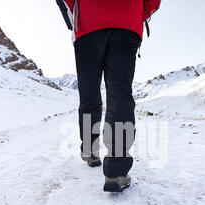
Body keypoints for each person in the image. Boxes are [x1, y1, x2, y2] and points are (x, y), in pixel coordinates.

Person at [56, 0, 161, 192]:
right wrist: (141, 12)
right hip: (127, 22)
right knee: (120, 96)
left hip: (87, 26)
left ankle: (89, 150)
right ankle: (116, 171)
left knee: (89, 96)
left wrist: (75, 14)